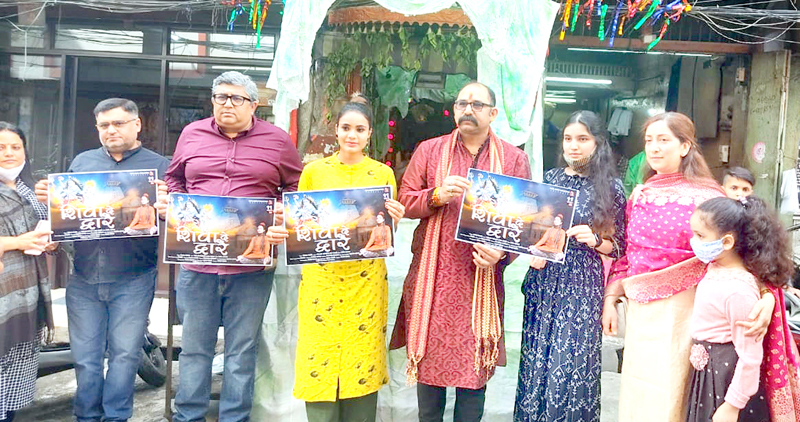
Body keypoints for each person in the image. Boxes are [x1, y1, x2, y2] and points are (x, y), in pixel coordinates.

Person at [601, 112, 775, 421]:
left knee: (676, 388)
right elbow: (627, 252)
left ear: (685, 146)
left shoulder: (709, 196)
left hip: (690, 307)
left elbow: (741, 249)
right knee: (640, 388)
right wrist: (611, 299)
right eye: (649, 140)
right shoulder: (641, 193)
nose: (654, 148)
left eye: (664, 140)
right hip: (640, 311)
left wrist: (767, 294)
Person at [163, 71, 303, 422]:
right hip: (197, 263)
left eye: (236, 98)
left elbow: (296, 190)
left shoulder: (277, 141)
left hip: (252, 267)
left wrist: (281, 218)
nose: (227, 104)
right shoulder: (191, 135)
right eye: (220, 97)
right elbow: (175, 178)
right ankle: (188, 416)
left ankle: (234, 418)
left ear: (254, 105)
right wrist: (177, 205)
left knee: (242, 351)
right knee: (195, 350)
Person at [389, 82, 531, 422]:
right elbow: (404, 201)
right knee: (430, 378)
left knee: (473, 376)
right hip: (432, 280)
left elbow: (524, 224)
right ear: (454, 110)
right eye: (462, 103)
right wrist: (436, 194)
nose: (468, 110)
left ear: (493, 113)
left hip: (479, 283)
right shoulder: (430, 151)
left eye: (477, 104)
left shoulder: (513, 158)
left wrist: (501, 255)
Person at [267, 101, 405, 422]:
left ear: (370, 134)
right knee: (320, 356)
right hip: (323, 281)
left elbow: (384, 231)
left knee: (362, 354)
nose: (352, 135)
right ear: (337, 130)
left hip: (365, 282)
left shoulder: (382, 174)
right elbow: (302, 227)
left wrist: (394, 218)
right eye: (346, 128)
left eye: (359, 130)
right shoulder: (315, 172)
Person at [35, 99, 170, 422]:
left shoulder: (160, 168)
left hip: (135, 276)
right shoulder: (82, 163)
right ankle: (86, 417)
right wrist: (50, 205)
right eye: (104, 125)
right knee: (86, 358)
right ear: (97, 129)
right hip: (82, 275)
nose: (111, 130)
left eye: (119, 123)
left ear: (137, 125)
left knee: (124, 355)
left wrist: (168, 205)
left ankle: (116, 417)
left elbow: (180, 219)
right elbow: (66, 216)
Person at [514, 111, 627, 421]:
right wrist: (532, 250)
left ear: (598, 143)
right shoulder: (548, 181)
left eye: (582, 139)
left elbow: (620, 246)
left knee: (572, 361)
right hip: (544, 279)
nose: (573, 146)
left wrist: (594, 239)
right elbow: (530, 230)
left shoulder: (612, 189)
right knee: (538, 359)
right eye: (568, 139)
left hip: (581, 284)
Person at [685, 196, 791, 422]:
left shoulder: (738, 291)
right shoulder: (714, 267)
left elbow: (750, 357)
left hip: (725, 381)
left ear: (726, 242)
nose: (693, 241)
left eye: (700, 236)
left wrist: (733, 405)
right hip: (709, 376)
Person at [0, 123, 54, 422]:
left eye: (15, 147)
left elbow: (47, 229)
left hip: (26, 293)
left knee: (17, 358)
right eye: (0, 148)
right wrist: (17, 242)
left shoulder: (26, 189)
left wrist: (50, 243)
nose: (8, 153)